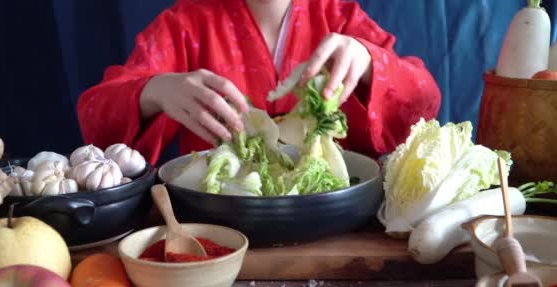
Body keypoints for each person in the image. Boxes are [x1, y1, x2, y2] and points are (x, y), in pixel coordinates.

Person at [77, 0, 441, 165]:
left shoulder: (340, 18)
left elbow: (424, 101)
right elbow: (95, 114)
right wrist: (153, 91)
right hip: (219, 228)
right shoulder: (185, 24)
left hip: (338, 227)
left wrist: (368, 61)